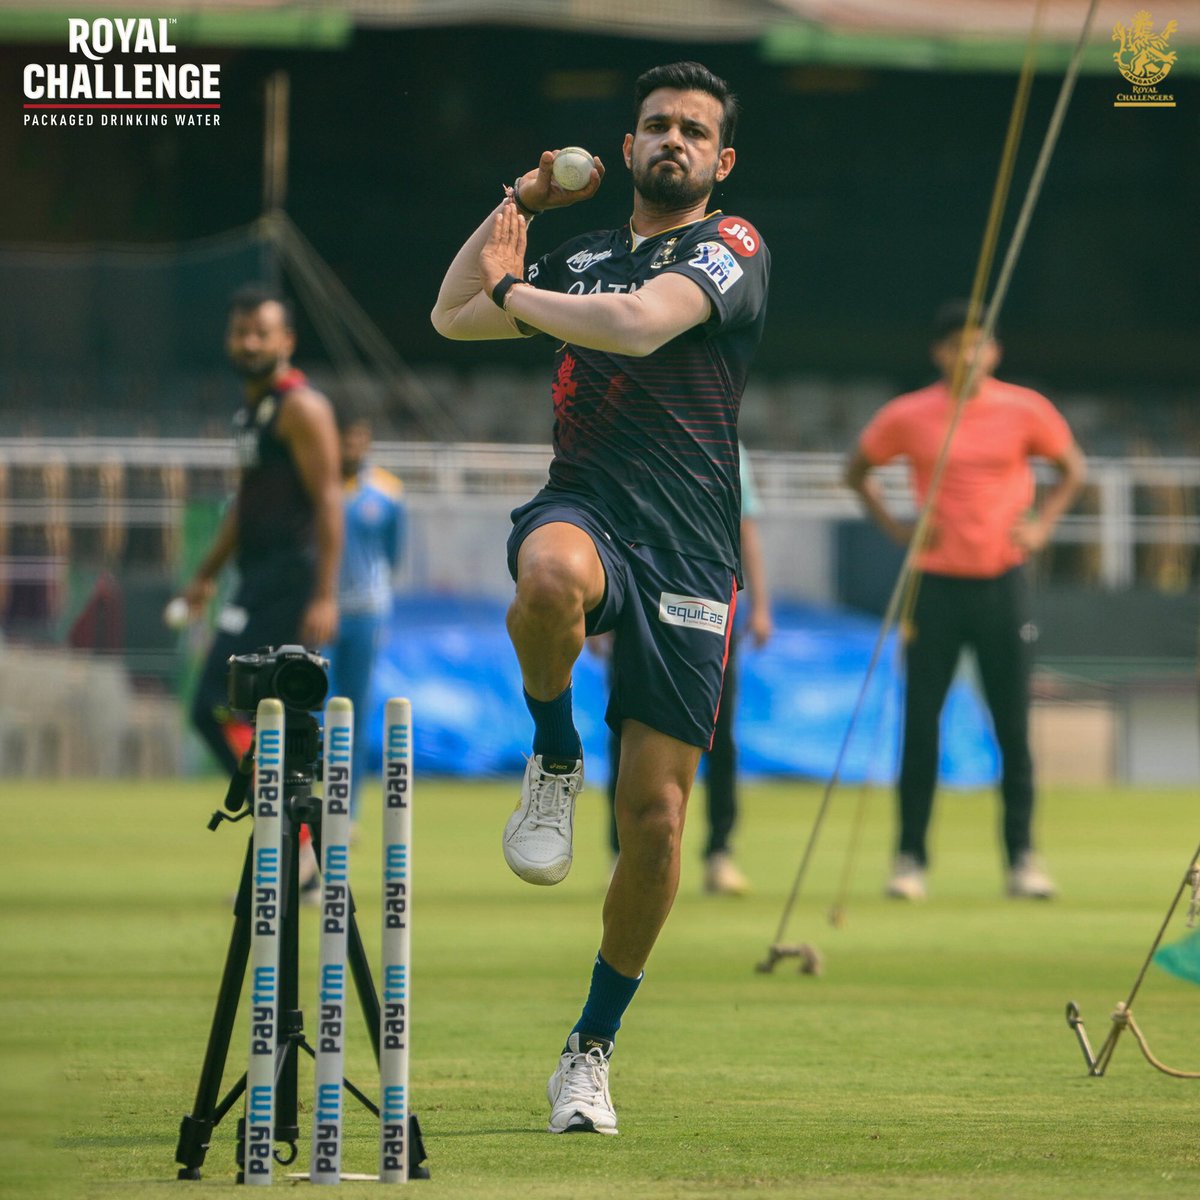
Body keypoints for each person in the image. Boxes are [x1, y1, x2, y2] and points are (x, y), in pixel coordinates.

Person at [431, 61, 769, 1135]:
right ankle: (554, 750)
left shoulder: (734, 247)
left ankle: (589, 1050)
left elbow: (631, 325)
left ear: (721, 161)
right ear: (624, 151)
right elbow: (449, 315)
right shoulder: (577, 248)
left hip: (689, 548)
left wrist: (520, 293)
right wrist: (518, 205)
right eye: (656, 125)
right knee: (546, 578)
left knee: (659, 825)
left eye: (694, 130)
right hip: (586, 505)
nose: (673, 139)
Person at [844, 301, 1086, 902]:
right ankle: (910, 859)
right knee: (921, 725)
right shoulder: (911, 413)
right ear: (940, 353)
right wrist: (899, 528)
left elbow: (1072, 469)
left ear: (994, 351)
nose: (968, 355)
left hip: (1002, 579)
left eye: (978, 343)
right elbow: (857, 471)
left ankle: (1022, 859)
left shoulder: (1025, 408)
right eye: (956, 345)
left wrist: (1042, 527)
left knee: (1013, 724)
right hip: (934, 583)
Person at [176, 284, 342, 776]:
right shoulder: (252, 412)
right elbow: (245, 504)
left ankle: (296, 832)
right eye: (241, 333)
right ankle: (290, 834)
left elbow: (330, 500)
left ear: (286, 341)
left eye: (261, 334)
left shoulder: (302, 408)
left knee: (220, 704)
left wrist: (325, 595)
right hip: (256, 580)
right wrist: (206, 574)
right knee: (234, 708)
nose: (249, 343)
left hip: (291, 583)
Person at [603, 442, 772, 894]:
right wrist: (598, 615)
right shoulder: (632, 430)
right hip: (637, 601)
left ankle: (720, 853)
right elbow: (607, 523)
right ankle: (622, 851)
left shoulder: (729, 444)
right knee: (626, 728)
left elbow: (743, 527)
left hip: (710, 605)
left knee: (720, 735)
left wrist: (760, 605)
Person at [325, 403, 405, 824]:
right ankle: (309, 807)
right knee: (318, 710)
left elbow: (392, 554)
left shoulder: (388, 491)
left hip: (366, 613)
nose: (353, 446)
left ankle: (346, 812)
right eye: (346, 437)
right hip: (319, 613)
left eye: (360, 437)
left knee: (354, 713)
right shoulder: (315, 482)